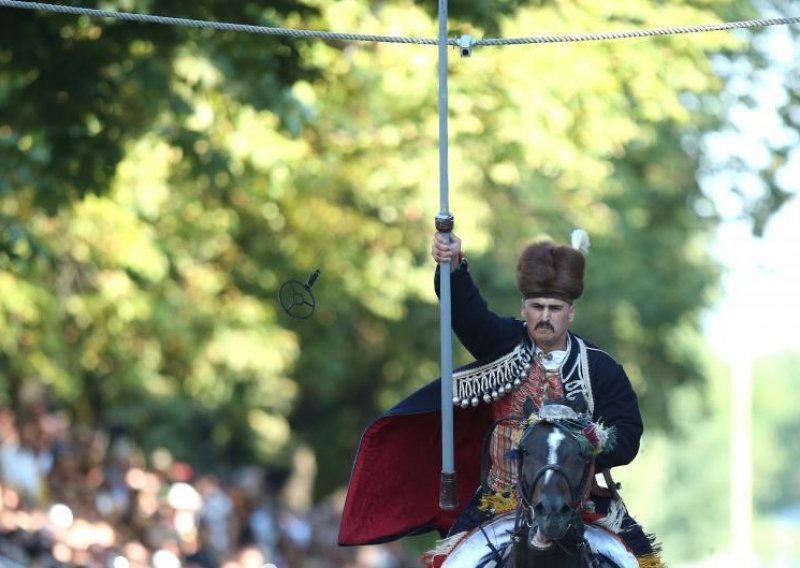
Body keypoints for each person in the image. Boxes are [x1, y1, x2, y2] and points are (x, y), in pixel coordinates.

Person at [338, 229, 659, 565]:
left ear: (571, 312)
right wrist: (452, 266)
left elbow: (629, 432)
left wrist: (595, 441)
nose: (545, 316)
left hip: (579, 503)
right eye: (537, 307)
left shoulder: (601, 368)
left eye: (554, 308)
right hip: (500, 500)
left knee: (640, 560)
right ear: (525, 307)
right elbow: (467, 314)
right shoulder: (502, 342)